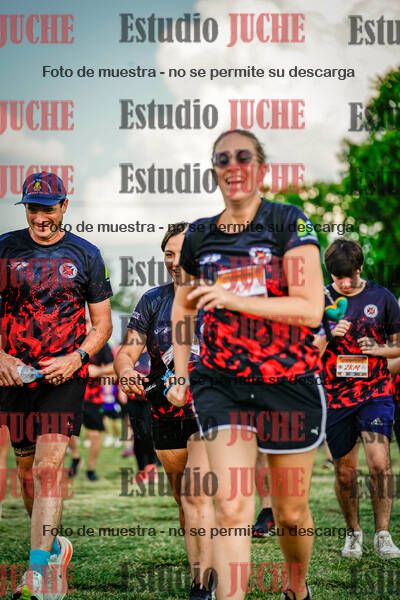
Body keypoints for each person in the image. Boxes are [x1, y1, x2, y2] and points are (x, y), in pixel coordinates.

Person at [168, 129, 326, 600]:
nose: (233, 166)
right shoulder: (199, 235)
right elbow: (183, 309)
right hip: (222, 384)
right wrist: (181, 373)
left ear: (261, 168)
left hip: (288, 381)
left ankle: (297, 588)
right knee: (232, 507)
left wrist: (233, 298)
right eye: (223, 159)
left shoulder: (288, 223)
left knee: (290, 513)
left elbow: (310, 308)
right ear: (214, 170)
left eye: (244, 157)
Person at [0, 172, 113, 599]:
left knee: (48, 468)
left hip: (64, 376)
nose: (40, 217)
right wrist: (1, 358)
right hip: (14, 377)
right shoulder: (5, 249)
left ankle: (35, 573)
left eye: (48, 208)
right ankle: (52, 552)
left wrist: (76, 358)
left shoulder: (87, 254)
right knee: (27, 474)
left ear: (64, 206)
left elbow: (102, 325)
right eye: (33, 208)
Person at [114, 223, 214, 600]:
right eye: (168, 254)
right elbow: (128, 350)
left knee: (196, 493)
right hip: (165, 411)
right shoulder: (152, 300)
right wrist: (126, 371)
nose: (174, 261)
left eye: (182, 253)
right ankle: (203, 567)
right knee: (183, 499)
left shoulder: (216, 296)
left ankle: (203, 585)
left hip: (209, 408)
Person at [314, 238, 400, 559]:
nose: (345, 284)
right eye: (339, 278)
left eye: (350, 276)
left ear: (361, 268)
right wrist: (327, 334)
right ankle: (353, 533)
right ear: (330, 274)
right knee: (345, 472)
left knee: (379, 462)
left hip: (375, 392)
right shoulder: (319, 300)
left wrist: (379, 350)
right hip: (336, 397)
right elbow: (305, 354)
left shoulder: (382, 297)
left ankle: (383, 535)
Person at [69, 340, 115, 481]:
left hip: (93, 396)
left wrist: (99, 371)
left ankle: (91, 468)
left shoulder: (101, 342)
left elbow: (114, 366)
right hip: (69, 393)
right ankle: (76, 457)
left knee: (95, 434)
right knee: (65, 430)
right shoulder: (70, 337)